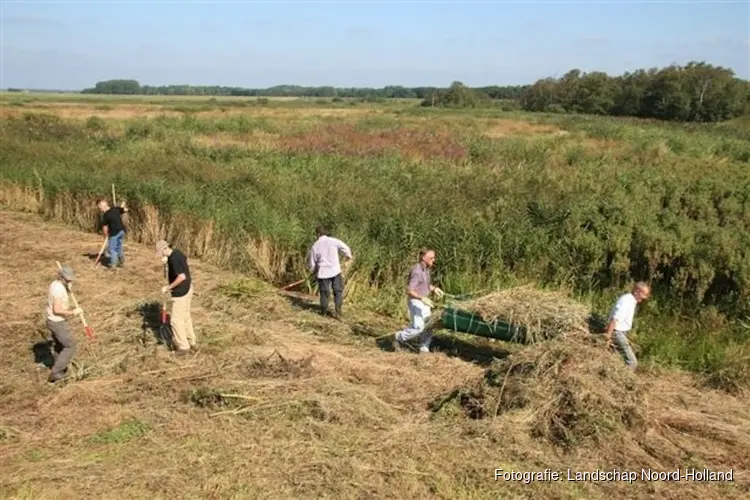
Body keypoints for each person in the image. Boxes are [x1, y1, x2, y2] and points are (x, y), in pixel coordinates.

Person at [392, 249, 444, 353]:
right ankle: (398, 337)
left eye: (434, 258)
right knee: (418, 327)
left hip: (424, 301)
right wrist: (422, 298)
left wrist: (434, 289)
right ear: (423, 257)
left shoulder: (426, 269)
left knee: (429, 325)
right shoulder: (417, 271)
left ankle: (424, 348)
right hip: (416, 301)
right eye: (431, 258)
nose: (434, 260)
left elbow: (424, 284)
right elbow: (410, 290)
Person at [155, 240, 196, 355]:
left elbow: (181, 277)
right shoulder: (177, 253)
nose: (159, 255)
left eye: (160, 252)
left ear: (164, 249)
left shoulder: (173, 259)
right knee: (186, 316)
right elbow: (184, 263)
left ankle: (184, 347)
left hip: (181, 292)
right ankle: (192, 341)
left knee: (175, 320)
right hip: (189, 288)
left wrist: (168, 287)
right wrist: (166, 262)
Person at [45, 265, 83, 383]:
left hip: (51, 319)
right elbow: (57, 310)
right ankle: (56, 372)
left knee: (59, 346)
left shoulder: (56, 284)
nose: (69, 281)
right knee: (70, 346)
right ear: (61, 277)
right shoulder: (58, 290)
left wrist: (67, 287)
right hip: (57, 322)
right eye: (67, 279)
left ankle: (58, 365)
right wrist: (73, 312)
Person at [306, 225, 353, 319]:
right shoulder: (333, 241)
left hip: (323, 272)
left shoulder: (315, 246)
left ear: (318, 234)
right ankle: (338, 312)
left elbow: (312, 263)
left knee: (324, 293)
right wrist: (348, 257)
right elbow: (346, 248)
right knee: (338, 291)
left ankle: (323, 313)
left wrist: (313, 271)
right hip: (335, 270)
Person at [605, 281, 651, 371]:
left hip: (620, 333)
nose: (645, 298)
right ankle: (623, 380)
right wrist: (607, 336)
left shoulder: (631, 300)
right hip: (617, 333)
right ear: (637, 291)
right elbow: (615, 318)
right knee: (632, 362)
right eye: (644, 294)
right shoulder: (626, 301)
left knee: (617, 358)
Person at [97, 197, 129, 268]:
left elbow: (105, 227)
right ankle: (121, 261)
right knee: (119, 247)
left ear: (102, 206)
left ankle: (113, 264)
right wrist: (120, 210)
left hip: (114, 233)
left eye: (100, 208)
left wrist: (105, 236)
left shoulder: (106, 215)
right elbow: (125, 210)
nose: (100, 210)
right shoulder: (115, 209)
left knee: (112, 249)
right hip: (121, 231)